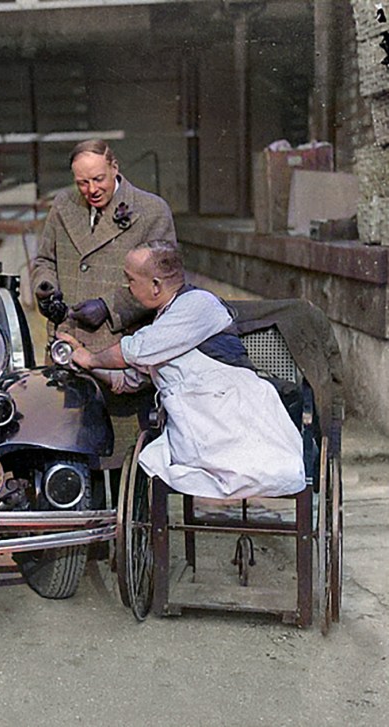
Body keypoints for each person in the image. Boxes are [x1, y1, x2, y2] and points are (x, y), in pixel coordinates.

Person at [59, 240, 305, 500]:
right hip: (197, 420)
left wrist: (91, 359)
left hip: (234, 415)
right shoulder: (165, 320)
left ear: (156, 285)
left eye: (131, 280)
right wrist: (79, 356)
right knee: (161, 457)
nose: (127, 288)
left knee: (225, 463)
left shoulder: (198, 304)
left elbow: (136, 350)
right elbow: (128, 380)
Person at [30, 140, 176, 472]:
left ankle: (124, 520)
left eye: (98, 179)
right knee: (67, 449)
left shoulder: (152, 211)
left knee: (122, 458)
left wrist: (108, 307)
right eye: (82, 182)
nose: (91, 189)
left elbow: (162, 281)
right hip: (67, 348)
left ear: (115, 167)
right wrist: (45, 288)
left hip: (117, 351)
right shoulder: (64, 205)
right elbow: (44, 260)